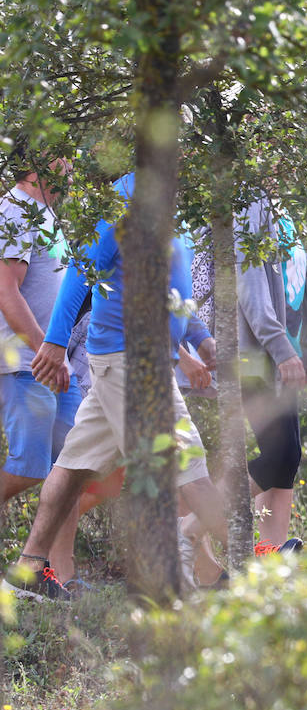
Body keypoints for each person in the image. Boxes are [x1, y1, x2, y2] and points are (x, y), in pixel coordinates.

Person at [1, 172, 228, 600]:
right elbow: (82, 272)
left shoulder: (171, 197)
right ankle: (259, 580)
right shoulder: (125, 198)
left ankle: (27, 570)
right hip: (130, 358)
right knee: (189, 467)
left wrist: (200, 338)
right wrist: (53, 340)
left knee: (71, 467)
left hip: (144, 357)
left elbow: (170, 288)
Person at [0, 155, 87, 581]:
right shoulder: (14, 211)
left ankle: (60, 576)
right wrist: (44, 349)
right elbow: (6, 290)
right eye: (64, 157)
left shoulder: (47, 214)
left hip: (58, 361)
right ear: (40, 162)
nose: (72, 166)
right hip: (24, 361)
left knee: (70, 465)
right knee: (31, 466)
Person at [235, 199, 307, 550]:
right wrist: (282, 349)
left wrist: (305, 349)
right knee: (279, 453)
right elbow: (251, 290)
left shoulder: (279, 208)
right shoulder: (248, 207)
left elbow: (298, 285)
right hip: (257, 358)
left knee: (289, 458)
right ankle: (193, 523)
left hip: (286, 357)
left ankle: (270, 553)